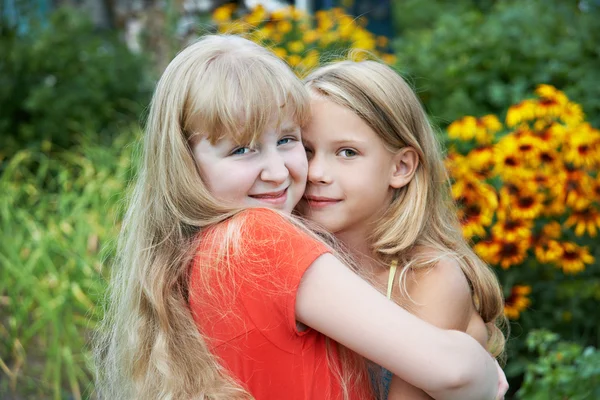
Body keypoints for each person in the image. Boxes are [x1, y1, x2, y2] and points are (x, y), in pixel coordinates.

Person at [94, 35, 508, 400]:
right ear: (183, 161)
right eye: (241, 149)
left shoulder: (199, 251)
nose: (286, 171)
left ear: (402, 167)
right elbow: (452, 373)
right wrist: (480, 368)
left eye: (288, 140)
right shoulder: (258, 236)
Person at [298, 60, 508, 399]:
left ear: (401, 166)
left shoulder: (428, 277)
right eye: (305, 151)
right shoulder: (291, 253)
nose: (316, 172)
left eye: (347, 152)